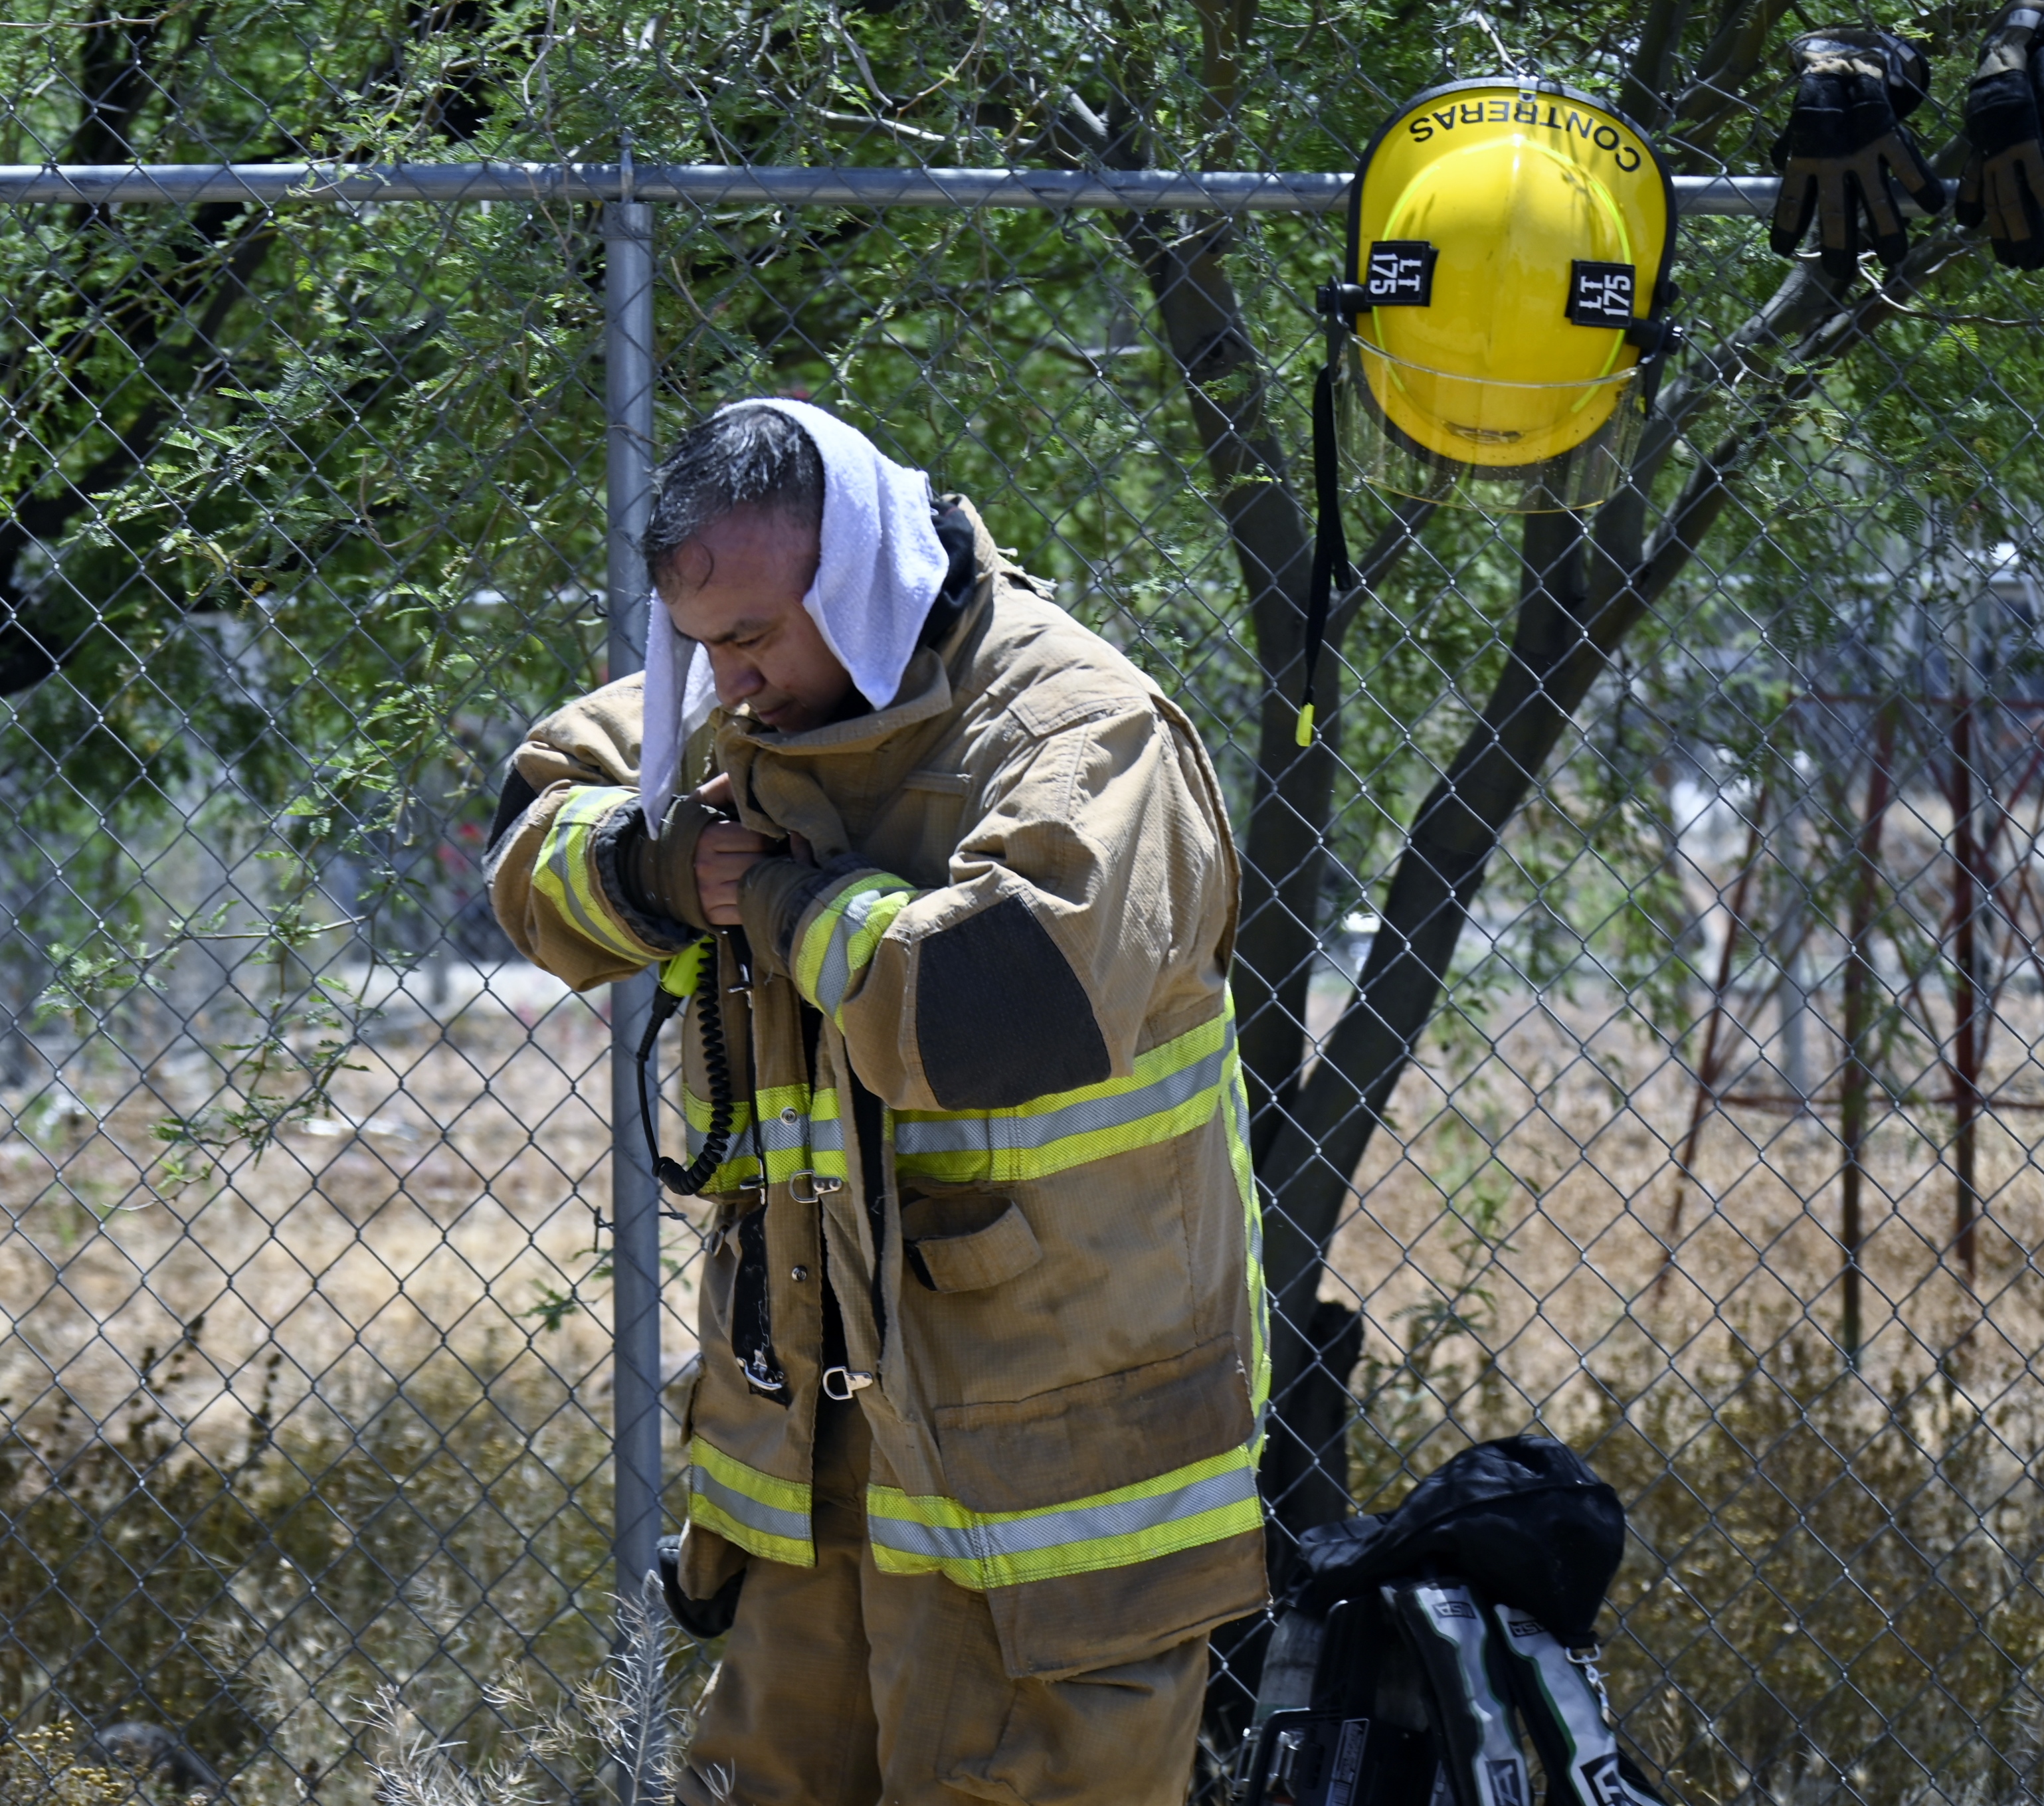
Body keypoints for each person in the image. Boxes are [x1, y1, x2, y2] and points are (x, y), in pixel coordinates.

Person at [486, 398, 1267, 1806]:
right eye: (699, 647)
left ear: (857, 578)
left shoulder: (1081, 732)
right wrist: (654, 868)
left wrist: (786, 904)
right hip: (815, 1458)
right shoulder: (746, 700)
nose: (725, 685)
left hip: (1049, 1492)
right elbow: (531, 820)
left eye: (752, 638)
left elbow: (990, 1012)